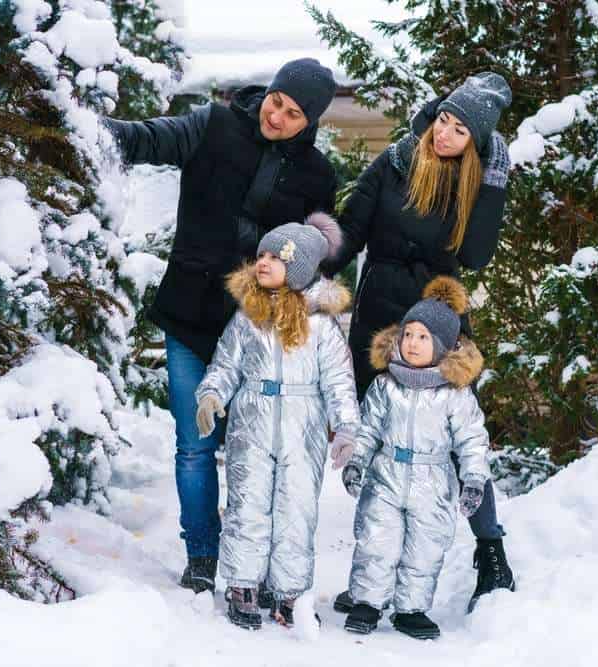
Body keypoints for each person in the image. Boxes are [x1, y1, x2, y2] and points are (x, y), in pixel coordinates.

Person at [103, 59, 338, 593]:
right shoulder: (215, 124)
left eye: (293, 113)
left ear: (310, 122)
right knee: (194, 443)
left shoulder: (316, 176)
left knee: (253, 448)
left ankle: (250, 548)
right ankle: (203, 552)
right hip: (189, 312)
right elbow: (147, 140)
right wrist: (87, 129)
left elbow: (317, 253)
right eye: (277, 101)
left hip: (258, 333)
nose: (277, 116)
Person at [327, 73, 516, 612]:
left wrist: (495, 184)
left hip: (439, 317)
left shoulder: (478, 181)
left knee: (455, 437)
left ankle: (492, 552)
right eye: (444, 121)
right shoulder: (394, 162)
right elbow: (349, 231)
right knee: (381, 440)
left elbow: (476, 256)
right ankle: (371, 578)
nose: (446, 135)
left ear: (475, 144)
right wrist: (304, 270)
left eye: (460, 130)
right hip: (383, 314)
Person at [194, 213, 360, 629]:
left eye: (275, 257)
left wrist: (346, 427)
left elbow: (340, 379)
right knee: (247, 503)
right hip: (251, 424)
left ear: (299, 269)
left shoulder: (321, 325)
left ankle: (288, 591)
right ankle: (243, 583)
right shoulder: (247, 318)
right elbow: (226, 364)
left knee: (296, 509)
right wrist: (211, 395)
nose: (262, 262)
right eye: (261, 254)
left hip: (303, 428)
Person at [340, 277, 491, 640]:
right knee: (376, 540)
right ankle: (367, 602)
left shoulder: (455, 394)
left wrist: (474, 479)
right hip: (386, 476)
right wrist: (357, 461)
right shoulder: (385, 385)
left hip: (433, 479)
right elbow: (368, 430)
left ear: (442, 347)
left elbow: (472, 439)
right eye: (409, 334)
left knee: (425, 547)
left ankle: (410, 609)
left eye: (424, 337)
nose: (412, 343)